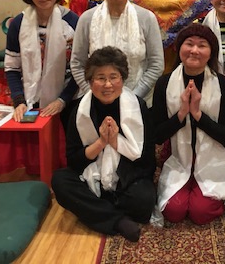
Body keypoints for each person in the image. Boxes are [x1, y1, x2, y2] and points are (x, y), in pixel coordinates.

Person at [52, 47, 156, 242]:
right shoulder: (79, 111)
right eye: (100, 78)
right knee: (60, 181)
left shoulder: (138, 107)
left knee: (145, 200)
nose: (107, 84)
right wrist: (101, 143)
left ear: (122, 79)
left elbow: (147, 160)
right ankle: (118, 221)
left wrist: (117, 143)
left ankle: (96, 209)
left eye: (113, 77)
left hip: (127, 177)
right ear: (90, 82)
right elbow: (73, 162)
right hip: (91, 174)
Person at [152, 24, 225, 225]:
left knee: (201, 213)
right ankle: (186, 184)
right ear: (179, 48)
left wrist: (197, 114)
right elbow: (157, 135)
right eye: (189, 44)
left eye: (202, 45)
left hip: (213, 155)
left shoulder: (223, 85)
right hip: (176, 154)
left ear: (211, 53)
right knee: (173, 211)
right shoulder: (164, 83)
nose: (194, 50)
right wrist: (181, 113)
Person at [71, 0, 164, 102]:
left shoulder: (146, 18)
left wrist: (134, 97)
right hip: (95, 100)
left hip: (138, 100)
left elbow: (156, 64)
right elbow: (77, 63)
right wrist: (94, 92)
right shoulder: (87, 19)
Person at [5, 0, 78, 127]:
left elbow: (81, 68)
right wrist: (19, 100)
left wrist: (63, 100)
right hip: (30, 99)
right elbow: (12, 68)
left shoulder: (72, 22)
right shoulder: (18, 24)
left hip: (69, 98)